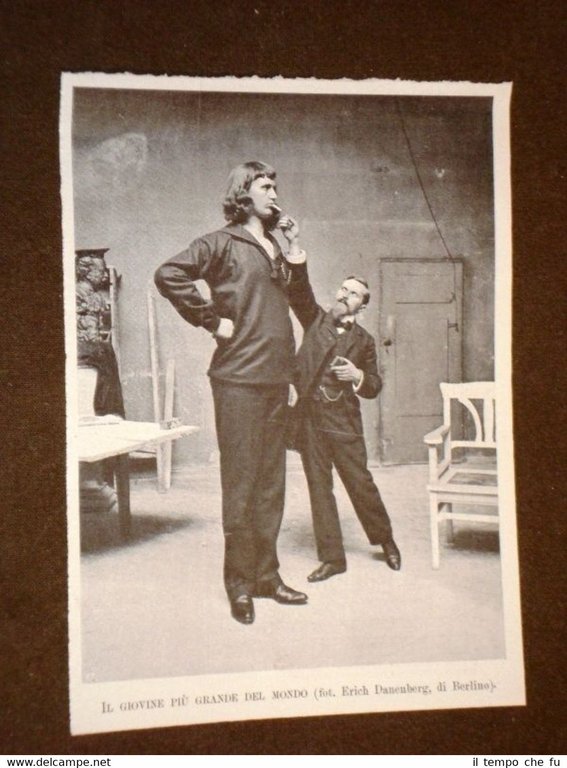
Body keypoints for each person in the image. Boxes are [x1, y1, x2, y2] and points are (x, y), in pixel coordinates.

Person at [154, 161, 307, 624]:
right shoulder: (220, 243)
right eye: (265, 185)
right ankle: (239, 585)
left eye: (276, 185)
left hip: (276, 380)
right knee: (241, 486)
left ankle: (267, 577)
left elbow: (299, 302)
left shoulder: (274, 247)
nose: (274, 192)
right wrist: (210, 319)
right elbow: (168, 274)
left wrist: (293, 249)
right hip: (238, 380)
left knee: (271, 486)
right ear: (244, 193)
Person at [286, 252, 402, 582]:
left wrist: (357, 376)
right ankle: (332, 558)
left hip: (343, 422)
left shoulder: (364, 342)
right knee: (319, 488)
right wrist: (294, 249)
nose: (344, 295)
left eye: (353, 293)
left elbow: (374, 385)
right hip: (310, 421)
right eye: (343, 289)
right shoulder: (315, 319)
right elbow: (300, 291)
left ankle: (386, 540)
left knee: (360, 483)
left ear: (362, 306)